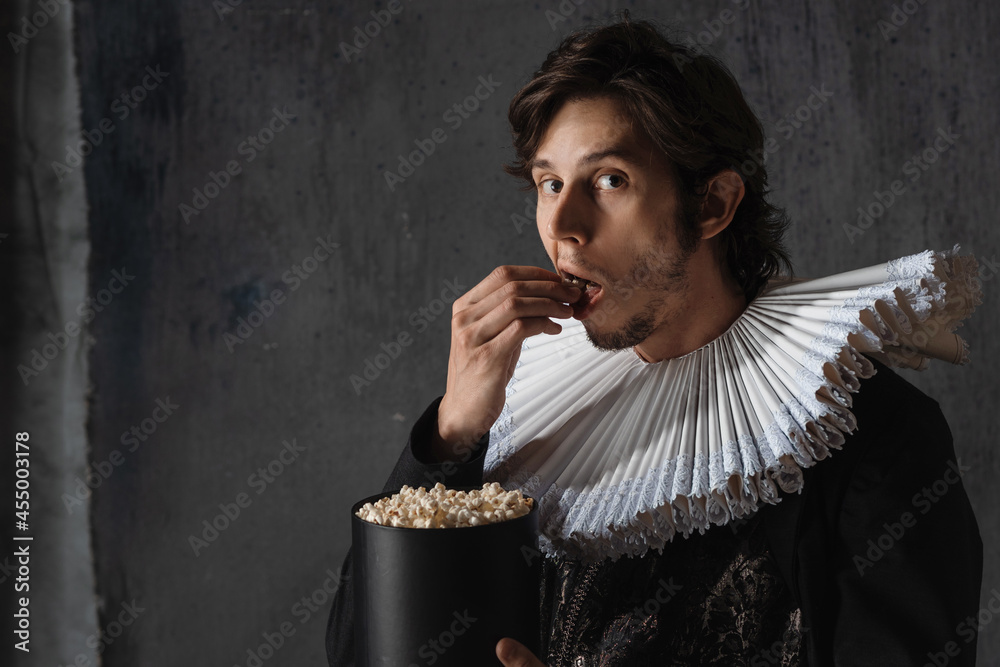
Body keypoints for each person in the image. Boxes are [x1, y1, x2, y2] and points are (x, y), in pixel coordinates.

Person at [327, 15, 984, 666]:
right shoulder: (509, 410)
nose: (562, 225)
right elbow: (363, 652)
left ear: (712, 205)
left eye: (609, 179)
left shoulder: (877, 437)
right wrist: (449, 435)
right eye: (549, 184)